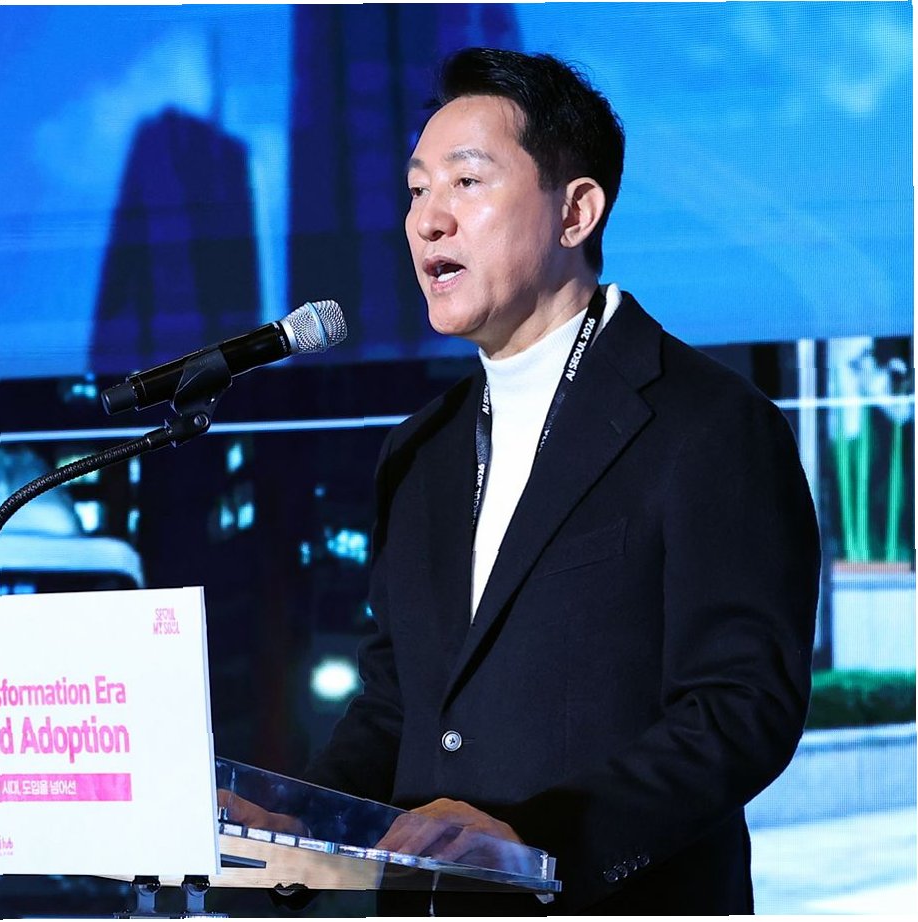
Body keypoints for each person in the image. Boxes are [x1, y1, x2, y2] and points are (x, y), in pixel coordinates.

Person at [300, 48, 822, 914]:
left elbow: (739, 708)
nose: (428, 220)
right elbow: (398, 708)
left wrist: (540, 843)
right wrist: (296, 820)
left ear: (575, 211)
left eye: (466, 182)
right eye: (416, 189)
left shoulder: (707, 424)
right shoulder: (418, 452)